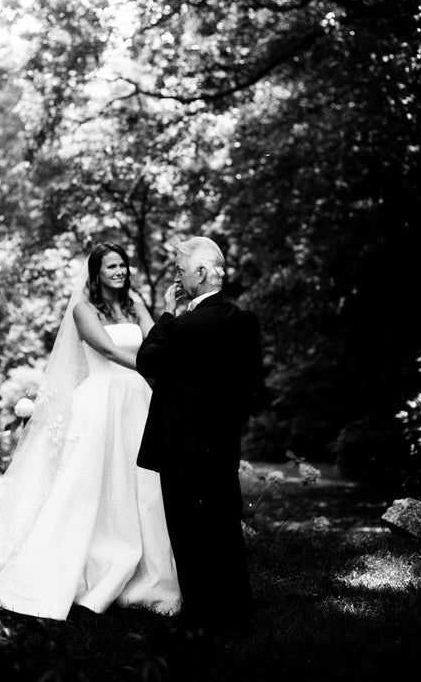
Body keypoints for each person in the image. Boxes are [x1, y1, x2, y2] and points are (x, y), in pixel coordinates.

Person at [0, 243, 181, 620]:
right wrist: (153, 363)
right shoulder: (83, 310)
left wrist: (167, 314)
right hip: (101, 404)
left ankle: (144, 573)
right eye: (111, 266)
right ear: (96, 272)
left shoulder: (135, 304)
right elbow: (108, 350)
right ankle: (87, 561)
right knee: (88, 485)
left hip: (137, 401)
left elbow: (156, 340)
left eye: (123, 264)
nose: (119, 271)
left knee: (140, 485)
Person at [136, 236, 264, 635]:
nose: (176, 276)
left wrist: (168, 313)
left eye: (180, 269)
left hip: (180, 443)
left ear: (203, 273)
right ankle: (236, 612)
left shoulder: (184, 324)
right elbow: (253, 389)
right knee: (224, 523)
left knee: (188, 532)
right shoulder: (245, 321)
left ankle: (200, 616)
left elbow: (146, 360)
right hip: (222, 442)